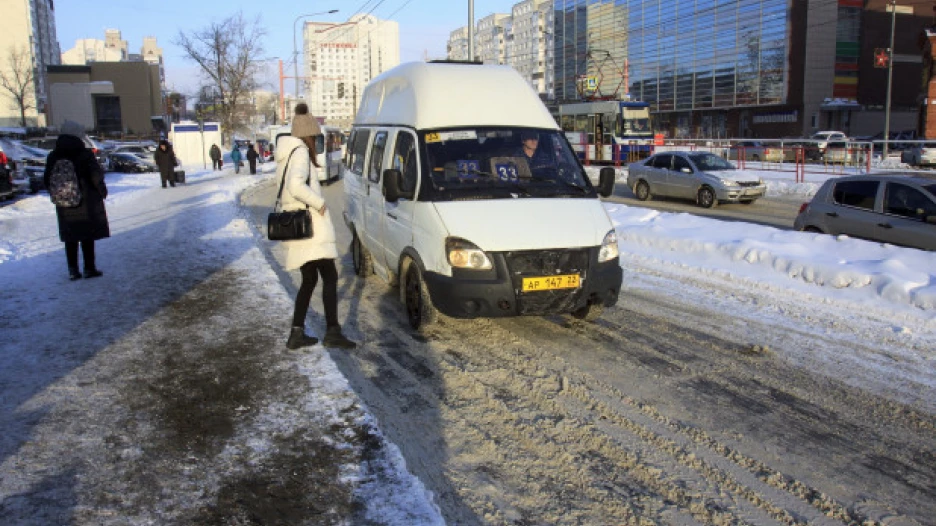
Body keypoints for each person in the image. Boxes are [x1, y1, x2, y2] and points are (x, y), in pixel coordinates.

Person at [278, 102, 356, 350]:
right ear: (309, 135)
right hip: (311, 228)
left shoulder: (287, 153)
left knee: (310, 279)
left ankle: (297, 332)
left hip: (301, 228)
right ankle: (333, 332)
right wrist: (319, 203)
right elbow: (295, 186)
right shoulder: (300, 152)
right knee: (330, 276)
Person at [43, 120, 109, 280]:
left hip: (64, 203)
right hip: (86, 200)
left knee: (70, 238)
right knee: (87, 236)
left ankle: (73, 270)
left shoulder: (53, 155)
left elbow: (47, 178)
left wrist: (57, 194)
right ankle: (89, 268)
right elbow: (95, 175)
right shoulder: (84, 154)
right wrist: (101, 190)